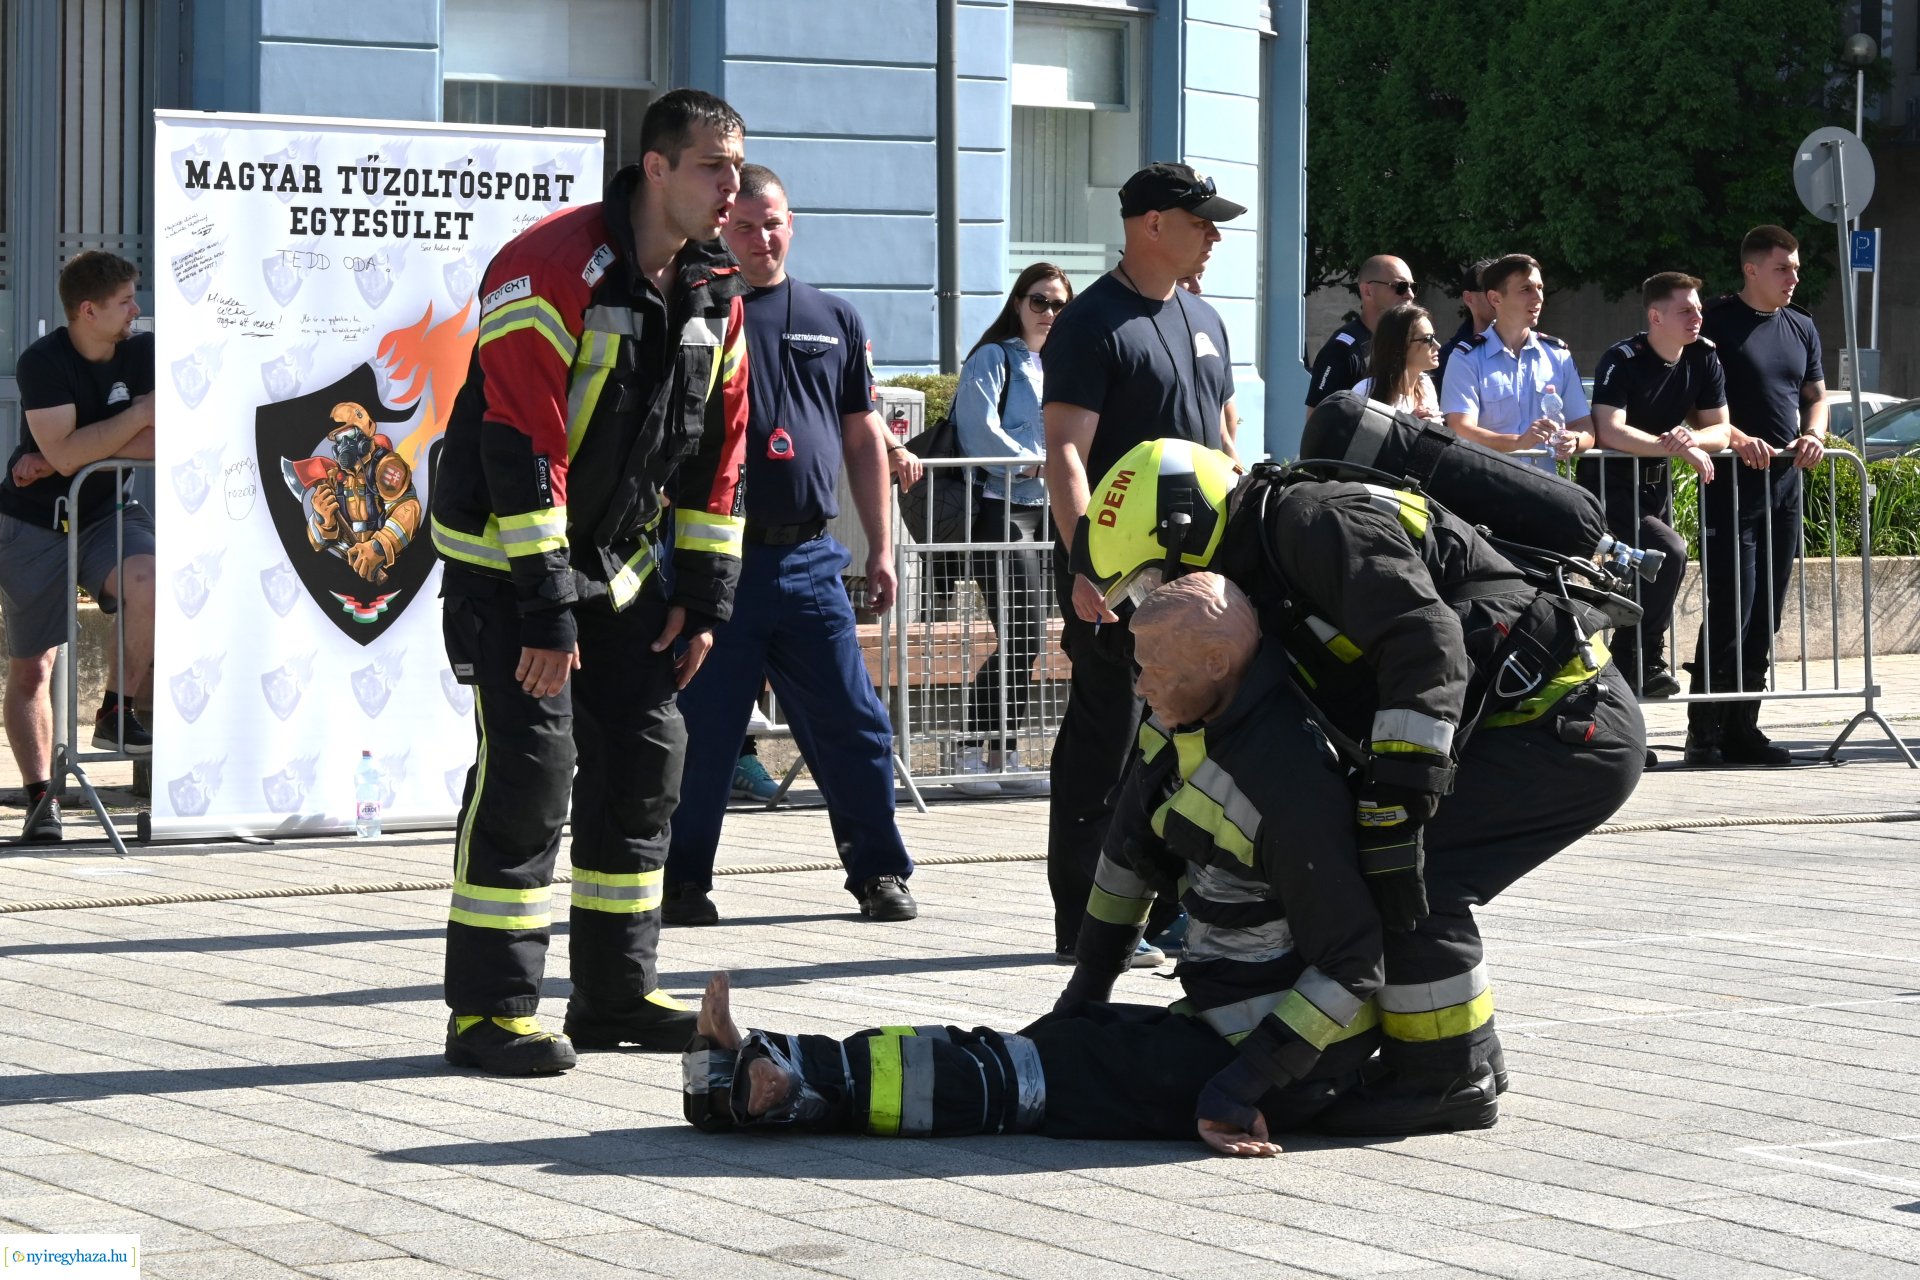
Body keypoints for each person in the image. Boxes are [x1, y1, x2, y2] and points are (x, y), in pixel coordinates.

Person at [683, 574, 1384, 1155]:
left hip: (1272, 1061)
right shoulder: (1188, 731)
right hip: (1218, 1025)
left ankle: (802, 1089)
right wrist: (1085, 995)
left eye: (1153, 668)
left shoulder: (1287, 778)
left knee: (1032, 1078)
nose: (1139, 684)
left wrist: (1241, 1088)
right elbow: (1126, 867)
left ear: (1213, 665)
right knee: (1035, 1049)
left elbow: (1353, 958)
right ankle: (784, 1063)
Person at [1078, 435, 1647, 1132]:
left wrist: (1395, 801)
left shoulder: (1316, 523)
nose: (1151, 600)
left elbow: (1424, 641)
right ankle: (1470, 1057)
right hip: (1525, 723)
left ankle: (1444, 1083)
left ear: (1184, 530)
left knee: (1416, 875)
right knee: (1404, 866)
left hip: (1562, 721)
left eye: (1146, 580)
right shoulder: (1263, 560)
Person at [429, 89, 751, 1076]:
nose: (731, 189)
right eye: (712, 167)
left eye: (738, 169)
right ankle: (490, 1011)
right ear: (656, 168)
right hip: (510, 564)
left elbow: (719, 454)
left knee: (649, 759)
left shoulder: (714, 287)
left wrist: (704, 597)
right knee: (530, 775)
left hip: (621, 569)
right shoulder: (551, 265)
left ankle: (612, 991)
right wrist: (547, 608)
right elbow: (522, 445)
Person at [661, 163, 917, 926]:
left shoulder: (832, 316)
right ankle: (680, 885)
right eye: (742, 225)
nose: (759, 237)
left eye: (771, 223)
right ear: (721, 229)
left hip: (809, 563)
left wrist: (879, 547)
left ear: (791, 224)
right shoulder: (693, 311)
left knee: (854, 726)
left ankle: (879, 874)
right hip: (714, 564)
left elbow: (863, 437)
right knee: (701, 737)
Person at [1041, 161, 1243, 963]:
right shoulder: (1093, 323)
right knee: (1108, 748)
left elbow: (1225, 442)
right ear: (1151, 224)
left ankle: (1172, 911)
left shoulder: (1206, 319)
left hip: (1202, 579)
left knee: (1194, 749)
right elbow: (1064, 453)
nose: (1214, 236)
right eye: (1201, 221)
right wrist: (1090, 564)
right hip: (1119, 582)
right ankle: (1086, 925)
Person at [1, 251, 158, 845]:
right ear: (88, 311)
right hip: (32, 525)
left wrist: (69, 453)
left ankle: (119, 710)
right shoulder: (43, 362)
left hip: (106, 512)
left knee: (149, 581)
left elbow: (164, 441)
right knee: (33, 667)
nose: (136, 311)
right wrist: (137, 414)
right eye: (125, 302)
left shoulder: (142, 352)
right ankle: (43, 796)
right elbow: (71, 454)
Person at [1685, 225, 1826, 766]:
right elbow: (1691, 401)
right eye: (1782, 268)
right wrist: (1737, 439)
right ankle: (1706, 728)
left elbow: (1816, 397)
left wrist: (1813, 434)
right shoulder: (1714, 324)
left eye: (1794, 269)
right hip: (1730, 487)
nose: (1793, 278)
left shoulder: (1801, 326)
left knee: (1765, 611)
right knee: (1732, 605)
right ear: (1750, 269)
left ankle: (1744, 724)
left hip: (1784, 488)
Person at [1566, 272, 1732, 699]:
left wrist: (1691, 440)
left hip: (1654, 489)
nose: (1696, 317)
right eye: (1685, 310)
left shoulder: (1703, 357)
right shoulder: (1622, 359)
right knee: (1668, 552)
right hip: (1610, 486)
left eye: (1697, 308)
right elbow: (1609, 430)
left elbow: (1721, 431)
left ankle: (1629, 663)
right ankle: (1641, 655)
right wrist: (1674, 448)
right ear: (1655, 316)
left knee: (1648, 568)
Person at [946, 262, 1071, 798]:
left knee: (1030, 636)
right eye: (1039, 301)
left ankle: (1002, 750)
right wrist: (1035, 461)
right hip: (1004, 506)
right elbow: (977, 429)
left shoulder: (1065, 364)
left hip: (1053, 509)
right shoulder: (995, 357)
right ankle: (972, 748)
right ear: (1018, 302)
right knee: (1019, 631)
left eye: (1060, 304)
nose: (1048, 312)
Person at [1440, 253, 1590, 475]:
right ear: (1495, 299)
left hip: (1545, 488)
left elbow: (1584, 426)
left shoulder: (1558, 355)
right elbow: (1461, 429)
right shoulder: (1465, 357)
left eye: (1540, 288)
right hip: (1487, 485)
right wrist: (1518, 442)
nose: (1538, 297)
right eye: (1526, 289)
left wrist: (1574, 441)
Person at [1305, 255, 1416, 407]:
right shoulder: (1341, 350)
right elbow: (1317, 419)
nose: (1410, 294)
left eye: (1413, 287)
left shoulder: (1407, 344)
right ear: (1367, 291)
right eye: (1400, 286)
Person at [1353, 303, 1442, 419]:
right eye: (1428, 339)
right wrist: (1409, 425)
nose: (1437, 345)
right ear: (1401, 345)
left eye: (1433, 336)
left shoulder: (1426, 385)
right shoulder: (1365, 391)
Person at [1432, 258, 1496, 394]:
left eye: (1504, 288)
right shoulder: (1449, 355)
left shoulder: (1531, 348)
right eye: (1491, 289)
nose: (1499, 296)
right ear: (1469, 298)